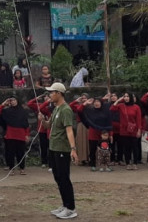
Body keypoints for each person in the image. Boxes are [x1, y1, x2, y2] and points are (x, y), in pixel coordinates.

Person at [45, 83, 78, 219]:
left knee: (64, 178)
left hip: (62, 149)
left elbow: (69, 130)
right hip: (53, 147)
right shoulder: (56, 109)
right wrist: (43, 120)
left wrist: (73, 149)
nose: (50, 95)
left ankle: (71, 208)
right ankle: (65, 205)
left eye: (52, 92)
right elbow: (49, 125)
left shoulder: (65, 110)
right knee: (58, 177)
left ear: (59, 93)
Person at [0, 97, 30, 175]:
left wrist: (27, 135)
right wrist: (3, 104)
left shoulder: (22, 111)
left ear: (17, 101)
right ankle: (11, 168)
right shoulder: (7, 111)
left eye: (14, 100)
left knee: (21, 153)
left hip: (21, 135)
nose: (13, 102)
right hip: (10, 135)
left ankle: (22, 168)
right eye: (11, 100)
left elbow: (26, 124)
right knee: (10, 153)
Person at [78, 97, 112, 172]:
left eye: (98, 102)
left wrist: (110, 134)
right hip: (93, 133)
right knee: (92, 150)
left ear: (101, 103)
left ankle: (105, 165)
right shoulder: (90, 110)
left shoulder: (106, 111)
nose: (96, 103)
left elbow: (109, 122)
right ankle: (93, 164)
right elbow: (79, 110)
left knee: (106, 151)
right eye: (95, 102)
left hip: (103, 134)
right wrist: (85, 104)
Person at [110, 93, 142, 170]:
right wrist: (118, 100)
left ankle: (135, 163)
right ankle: (128, 162)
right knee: (126, 147)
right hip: (124, 130)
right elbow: (112, 108)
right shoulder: (121, 106)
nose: (126, 98)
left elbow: (138, 120)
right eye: (125, 96)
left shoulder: (136, 107)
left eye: (127, 96)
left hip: (134, 130)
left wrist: (139, 130)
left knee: (135, 147)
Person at [27, 94, 53, 169]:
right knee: (43, 146)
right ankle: (44, 162)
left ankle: (51, 162)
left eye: (48, 96)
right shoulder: (41, 104)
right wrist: (36, 98)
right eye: (45, 96)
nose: (46, 97)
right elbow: (29, 104)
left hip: (49, 128)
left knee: (50, 146)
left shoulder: (52, 106)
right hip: (42, 129)